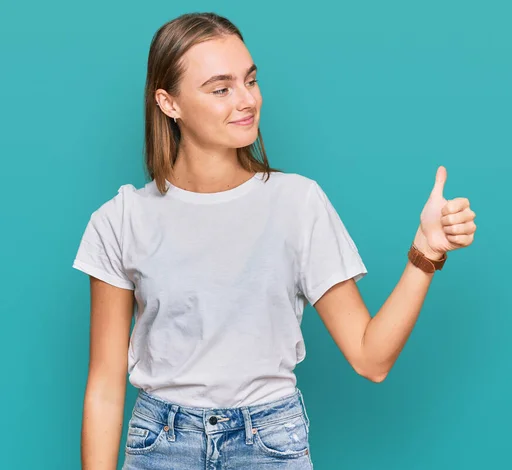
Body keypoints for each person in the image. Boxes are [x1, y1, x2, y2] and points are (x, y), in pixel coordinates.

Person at [72, 12, 477, 470]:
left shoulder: (297, 203)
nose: (246, 101)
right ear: (169, 103)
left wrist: (425, 253)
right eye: (220, 88)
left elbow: (371, 358)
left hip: (268, 445)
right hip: (160, 446)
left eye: (250, 80)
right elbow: (105, 388)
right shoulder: (122, 219)